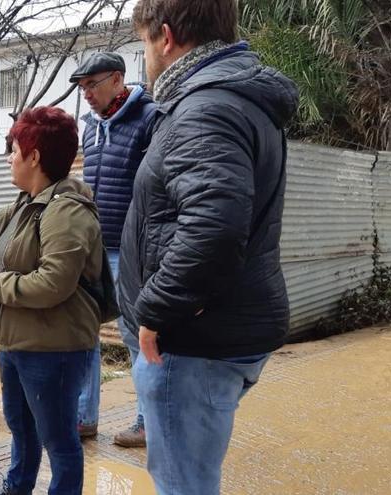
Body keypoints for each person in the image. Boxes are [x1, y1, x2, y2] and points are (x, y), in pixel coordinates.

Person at [120, 1, 298, 493]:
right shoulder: (230, 99)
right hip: (213, 335)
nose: (146, 59)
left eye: (145, 44)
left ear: (168, 37)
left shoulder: (206, 108)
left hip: (189, 347)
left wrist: (154, 310)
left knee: (184, 485)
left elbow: (214, 225)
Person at [0, 106, 103, 495]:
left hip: (54, 348)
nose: (9, 158)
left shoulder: (66, 210)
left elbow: (53, 283)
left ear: (34, 156)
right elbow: (14, 255)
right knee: (21, 427)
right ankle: (17, 486)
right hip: (18, 340)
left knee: (59, 439)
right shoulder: (24, 203)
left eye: (14, 149)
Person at [69, 51, 156, 446]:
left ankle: (147, 420)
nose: (86, 93)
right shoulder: (91, 127)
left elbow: (158, 188)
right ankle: (84, 417)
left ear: (118, 80)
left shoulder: (148, 120)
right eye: (82, 86)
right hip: (94, 247)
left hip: (131, 249)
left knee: (136, 335)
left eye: (93, 84)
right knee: (84, 330)